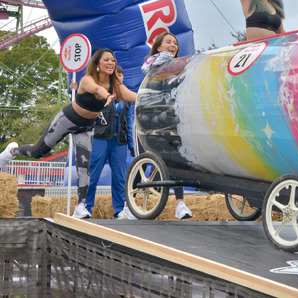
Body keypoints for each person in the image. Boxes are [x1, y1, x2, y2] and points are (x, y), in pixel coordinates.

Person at [0, 48, 137, 218]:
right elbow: (96, 90)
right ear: (97, 65)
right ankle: (11, 152)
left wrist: (151, 97)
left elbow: (133, 96)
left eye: (113, 60)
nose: (111, 63)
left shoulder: (116, 86)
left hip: (86, 127)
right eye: (107, 60)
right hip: (67, 120)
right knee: (38, 152)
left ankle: (80, 206)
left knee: (83, 167)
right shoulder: (87, 80)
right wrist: (107, 95)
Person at [141, 31, 192, 220]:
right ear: (159, 46)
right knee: (149, 163)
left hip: (172, 118)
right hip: (150, 119)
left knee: (176, 160)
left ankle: (180, 204)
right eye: (168, 42)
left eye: (176, 43)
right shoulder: (152, 67)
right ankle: (132, 202)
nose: (173, 45)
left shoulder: (180, 67)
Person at [84, 65, 136, 220]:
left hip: (119, 142)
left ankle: (120, 209)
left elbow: (129, 121)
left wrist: (132, 144)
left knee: (120, 177)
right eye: (116, 74)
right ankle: (86, 207)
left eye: (121, 75)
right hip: (100, 139)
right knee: (93, 174)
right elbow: (82, 107)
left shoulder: (126, 99)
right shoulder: (98, 92)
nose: (119, 77)